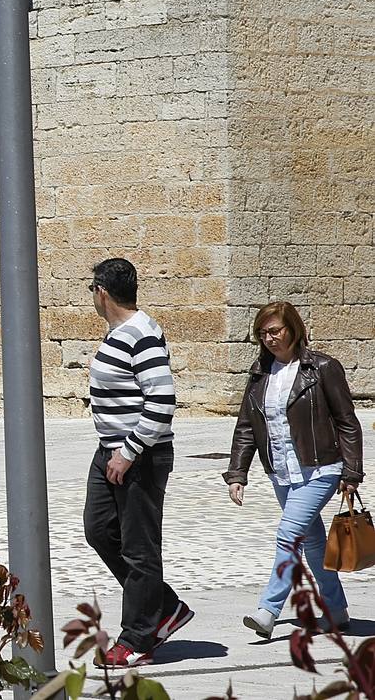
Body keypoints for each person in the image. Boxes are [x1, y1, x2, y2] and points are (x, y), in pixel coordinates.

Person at [226, 300, 362, 639]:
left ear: (293, 329)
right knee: (312, 543)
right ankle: (336, 610)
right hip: (282, 472)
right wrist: (237, 473)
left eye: (275, 331)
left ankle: (267, 611)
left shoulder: (323, 368)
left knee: (288, 535)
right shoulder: (260, 373)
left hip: (322, 468)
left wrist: (351, 472)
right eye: (263, 333)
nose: (269, 338)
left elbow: (347, 422)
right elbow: (246, 426)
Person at [84, 257, 193, 667]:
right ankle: (164, 606)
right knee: (98, 530)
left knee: (139, 549)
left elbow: (162, 401)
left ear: (102, 292)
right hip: (109, 451)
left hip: (139, 457)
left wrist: (128, 452)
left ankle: (137, 638)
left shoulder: (141, 333)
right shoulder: (117, 334)